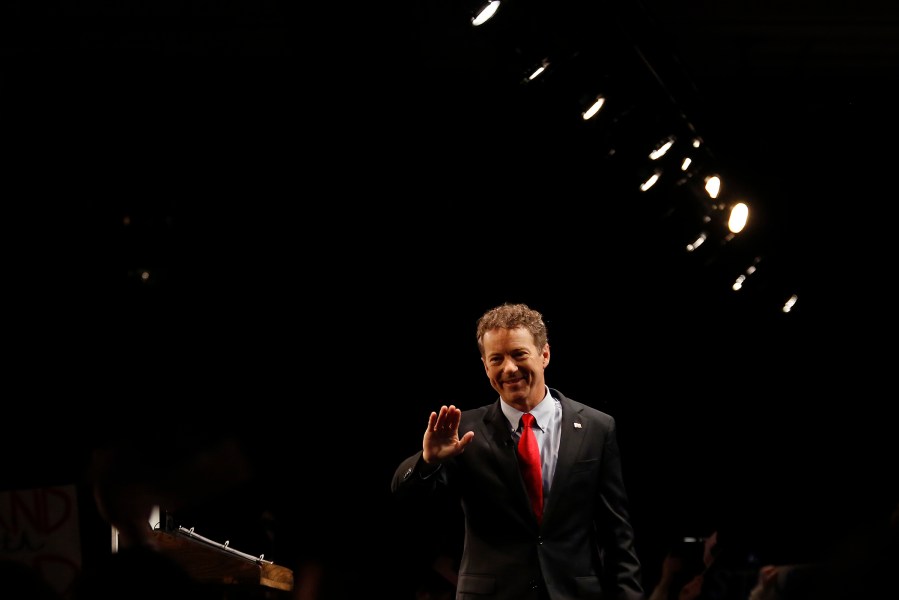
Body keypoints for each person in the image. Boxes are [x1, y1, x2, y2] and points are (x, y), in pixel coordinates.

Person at [391, 302, 644, 600]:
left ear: (544, 354)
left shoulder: (596, 428)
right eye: (496, 359)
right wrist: (427, 461)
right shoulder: (462, 431)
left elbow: (617, 535)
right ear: (486, 367)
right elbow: (407, 503)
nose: (508, 368)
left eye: (518, 354)